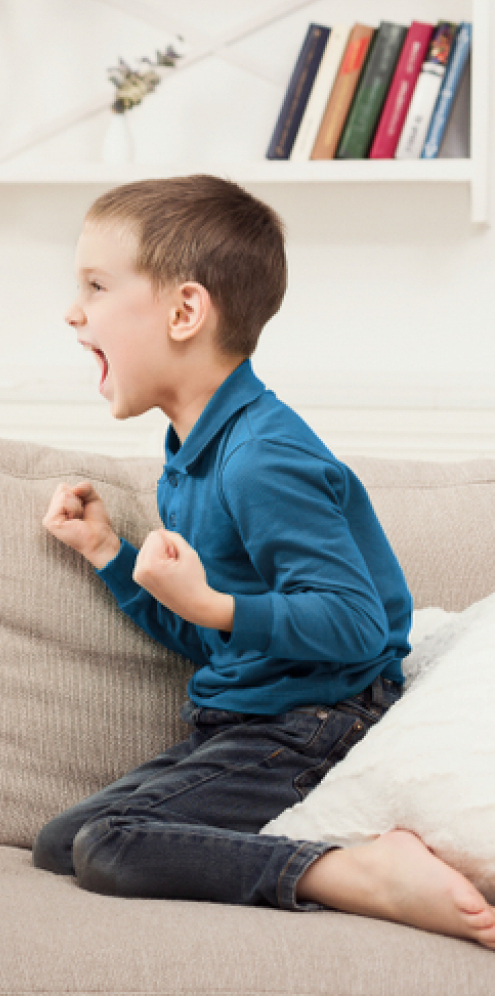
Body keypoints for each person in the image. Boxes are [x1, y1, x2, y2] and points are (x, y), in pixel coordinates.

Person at [38, 174, 495, 949]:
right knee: (63, 843)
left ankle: (351, 870)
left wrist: (215, 605)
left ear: (185, 311)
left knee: (107, 847)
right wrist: (111, 555)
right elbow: (215, 633)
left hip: (311, 725)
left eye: (96, 285)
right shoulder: (194, 452)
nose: (72, 310)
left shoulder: (263, 458)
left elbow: (354, 626)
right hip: (246, 720)